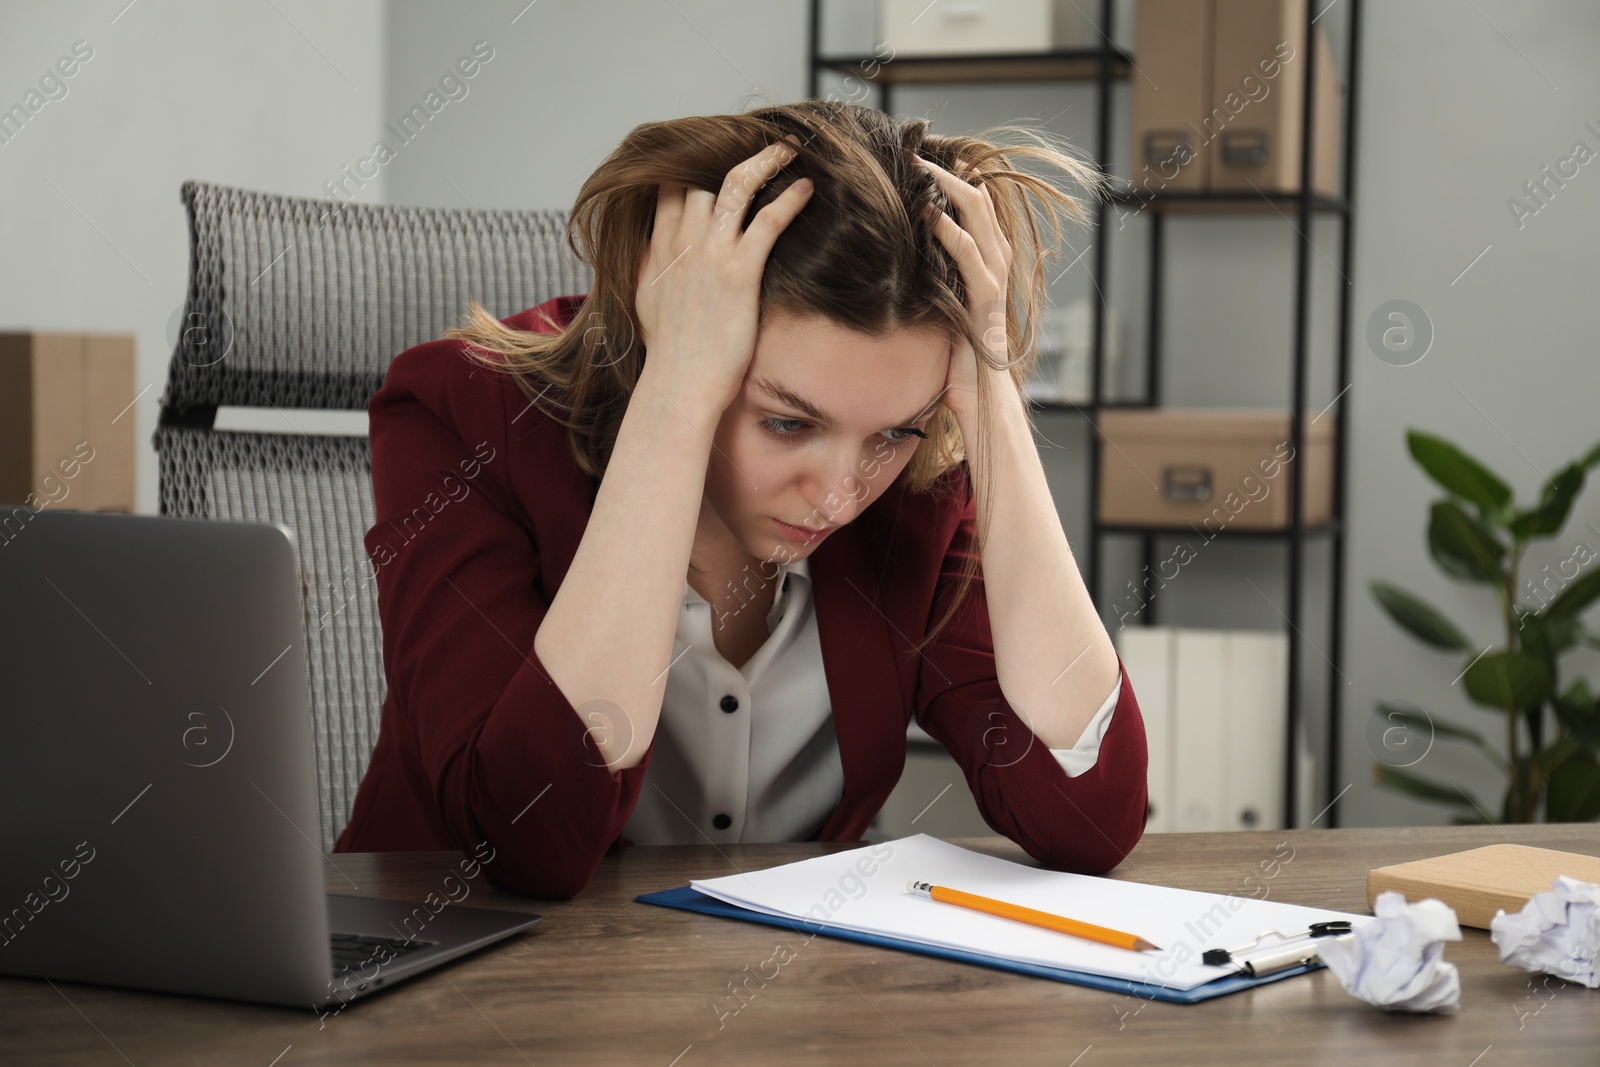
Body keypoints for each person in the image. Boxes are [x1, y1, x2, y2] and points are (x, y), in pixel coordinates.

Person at [333, 100, 1148, 899]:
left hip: (787, 1000)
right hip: (454, 997)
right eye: (788, 421)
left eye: (894, 434)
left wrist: (993, 393)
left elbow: (1087, 817)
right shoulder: (463, 413)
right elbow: (525, 844)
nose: (839, 494)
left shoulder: (918, 483)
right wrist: (678, 392)